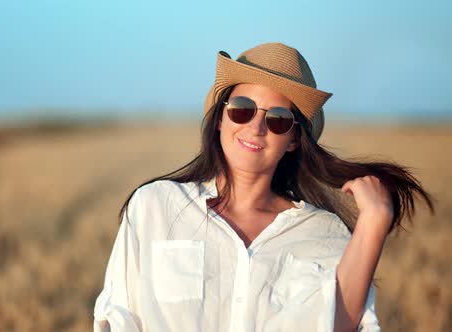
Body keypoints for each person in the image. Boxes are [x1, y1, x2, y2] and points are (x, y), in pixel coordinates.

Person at [92, 42, 433, 332]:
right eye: (243, 110)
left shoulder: (325, 234)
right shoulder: (154, 207)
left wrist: (374, 222)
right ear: (221, 119)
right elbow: (119, 316)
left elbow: (335, 324)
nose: (256, 128)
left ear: (294, 140)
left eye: (278, 119)